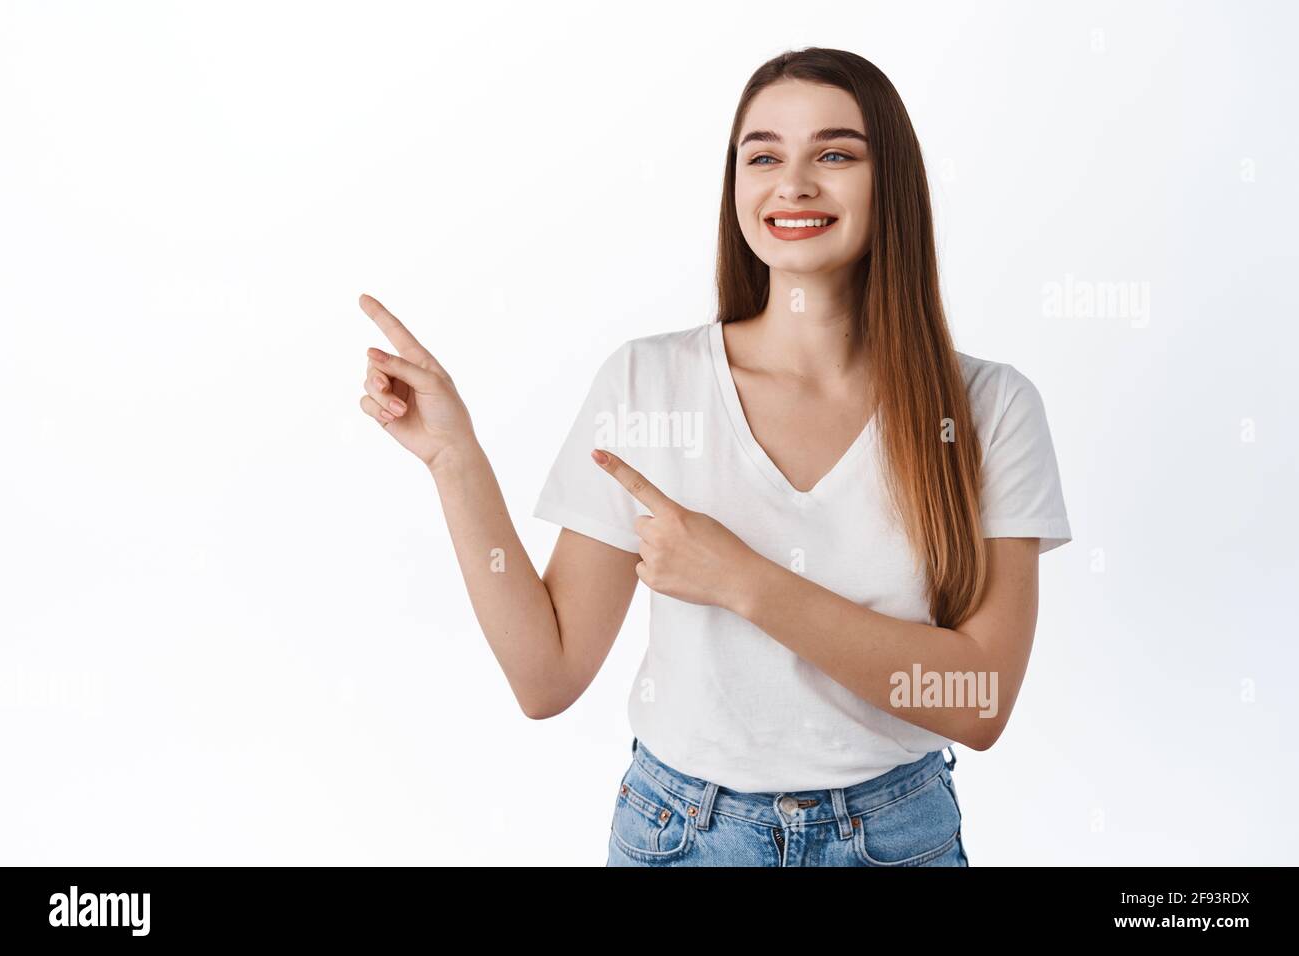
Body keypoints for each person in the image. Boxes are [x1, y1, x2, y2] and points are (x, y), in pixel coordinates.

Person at [354, 47, 1072, 867]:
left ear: (893, 182)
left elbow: (979, 702)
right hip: (683, 837)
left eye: (834, 155)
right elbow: (546, 678)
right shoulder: (649, 381)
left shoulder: (990, 407)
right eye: (762, 157)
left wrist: (741, 581)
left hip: (896, 838)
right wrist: (454, 458)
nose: (792, 184)